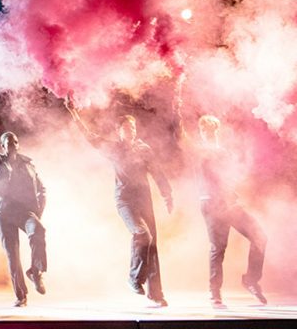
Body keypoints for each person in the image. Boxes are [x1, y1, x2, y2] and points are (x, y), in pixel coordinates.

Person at [65, 99, 172, 307]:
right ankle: (134, 278)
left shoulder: (144, 149)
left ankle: (155, 294)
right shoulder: (114, 148)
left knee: (152, 245)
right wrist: (75, 114)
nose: (130, 130)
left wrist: (167, 195)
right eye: (125, 128)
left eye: (132, 127)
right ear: (119, 132)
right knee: (142, 235)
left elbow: (157, 172)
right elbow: (90, 137)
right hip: (125, 201)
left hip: (145, 201)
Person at [190, 115, 267, 307]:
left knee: (260, 236)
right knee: (218, 248)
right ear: (201, 133)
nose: (210, 133)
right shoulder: (198, 152)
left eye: (213, 130)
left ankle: (251, 280)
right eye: (205, 130)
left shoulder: (224, 152)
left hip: (229, 203)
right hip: (211, 204)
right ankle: (214, 291)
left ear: (217, 131)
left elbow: (231, 175)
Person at [0, 104, 47, 307]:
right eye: (8, 143)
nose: (12, 145)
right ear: (3, 146)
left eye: (15, 141)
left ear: (19, 144)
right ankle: (21, 296)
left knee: (39, 230)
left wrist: (38, 212)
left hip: (25, 211)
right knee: (12, 255)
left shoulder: (29, 165)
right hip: (4, 212)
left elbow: (42, 189)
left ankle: (36, 271)